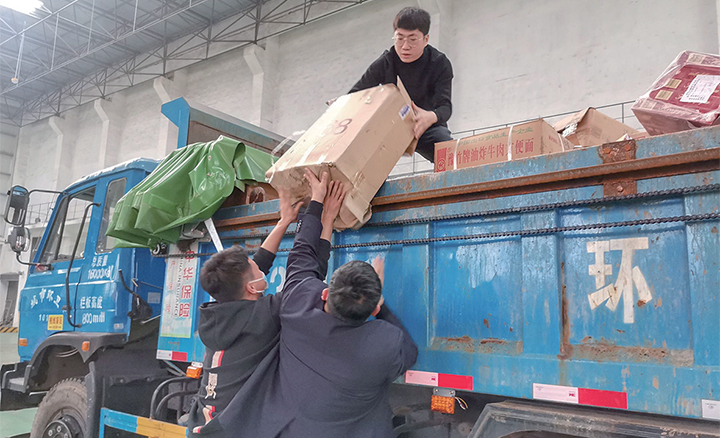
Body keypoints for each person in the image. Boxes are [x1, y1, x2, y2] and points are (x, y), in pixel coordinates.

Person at [263, 170, 418, 437]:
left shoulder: (296, 307)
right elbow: (410, 352)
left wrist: (320, 205)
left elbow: (303, 255)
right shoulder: (382, 345)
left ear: (325, 293)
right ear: (373, 311)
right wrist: (380, 303)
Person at [186, 186, 342, 436]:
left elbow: (257, 266)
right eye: (258, 271)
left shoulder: (218, 312)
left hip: (204, 426)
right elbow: (305, 275)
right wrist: (317, 206)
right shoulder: (263, 316)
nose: (262, 269)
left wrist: (284, 221)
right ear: (251, 287)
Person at [350, 7, 453, 163]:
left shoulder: (439, 63)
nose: (405, 46)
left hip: (425, 126)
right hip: (391, 126)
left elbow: (445, 107)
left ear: (426, 39)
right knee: (360, 157)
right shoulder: (385, 62)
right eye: (400, 38)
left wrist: (431, 116)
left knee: (448, 154)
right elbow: (355, 94)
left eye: (412, 39)